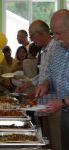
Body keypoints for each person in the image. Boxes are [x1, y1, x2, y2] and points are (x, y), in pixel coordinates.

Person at [16, 20, 61, 150]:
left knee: (57, 143)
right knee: (47, 141)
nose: (31, 40)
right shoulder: (44, 51)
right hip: (44, 104)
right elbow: (43, 75)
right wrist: (28, 84)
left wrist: (38, 89)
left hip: (55, 104)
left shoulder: (56, 47)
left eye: (31, 36)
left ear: (40, 33)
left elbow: (55, 78)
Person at [35, 9, 69, 150]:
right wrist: (45, 83)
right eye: (53, 32)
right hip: (65, 112)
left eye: (59, 33)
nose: (55, 38)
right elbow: (49, 72)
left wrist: (62, 102)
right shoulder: (56, 46)